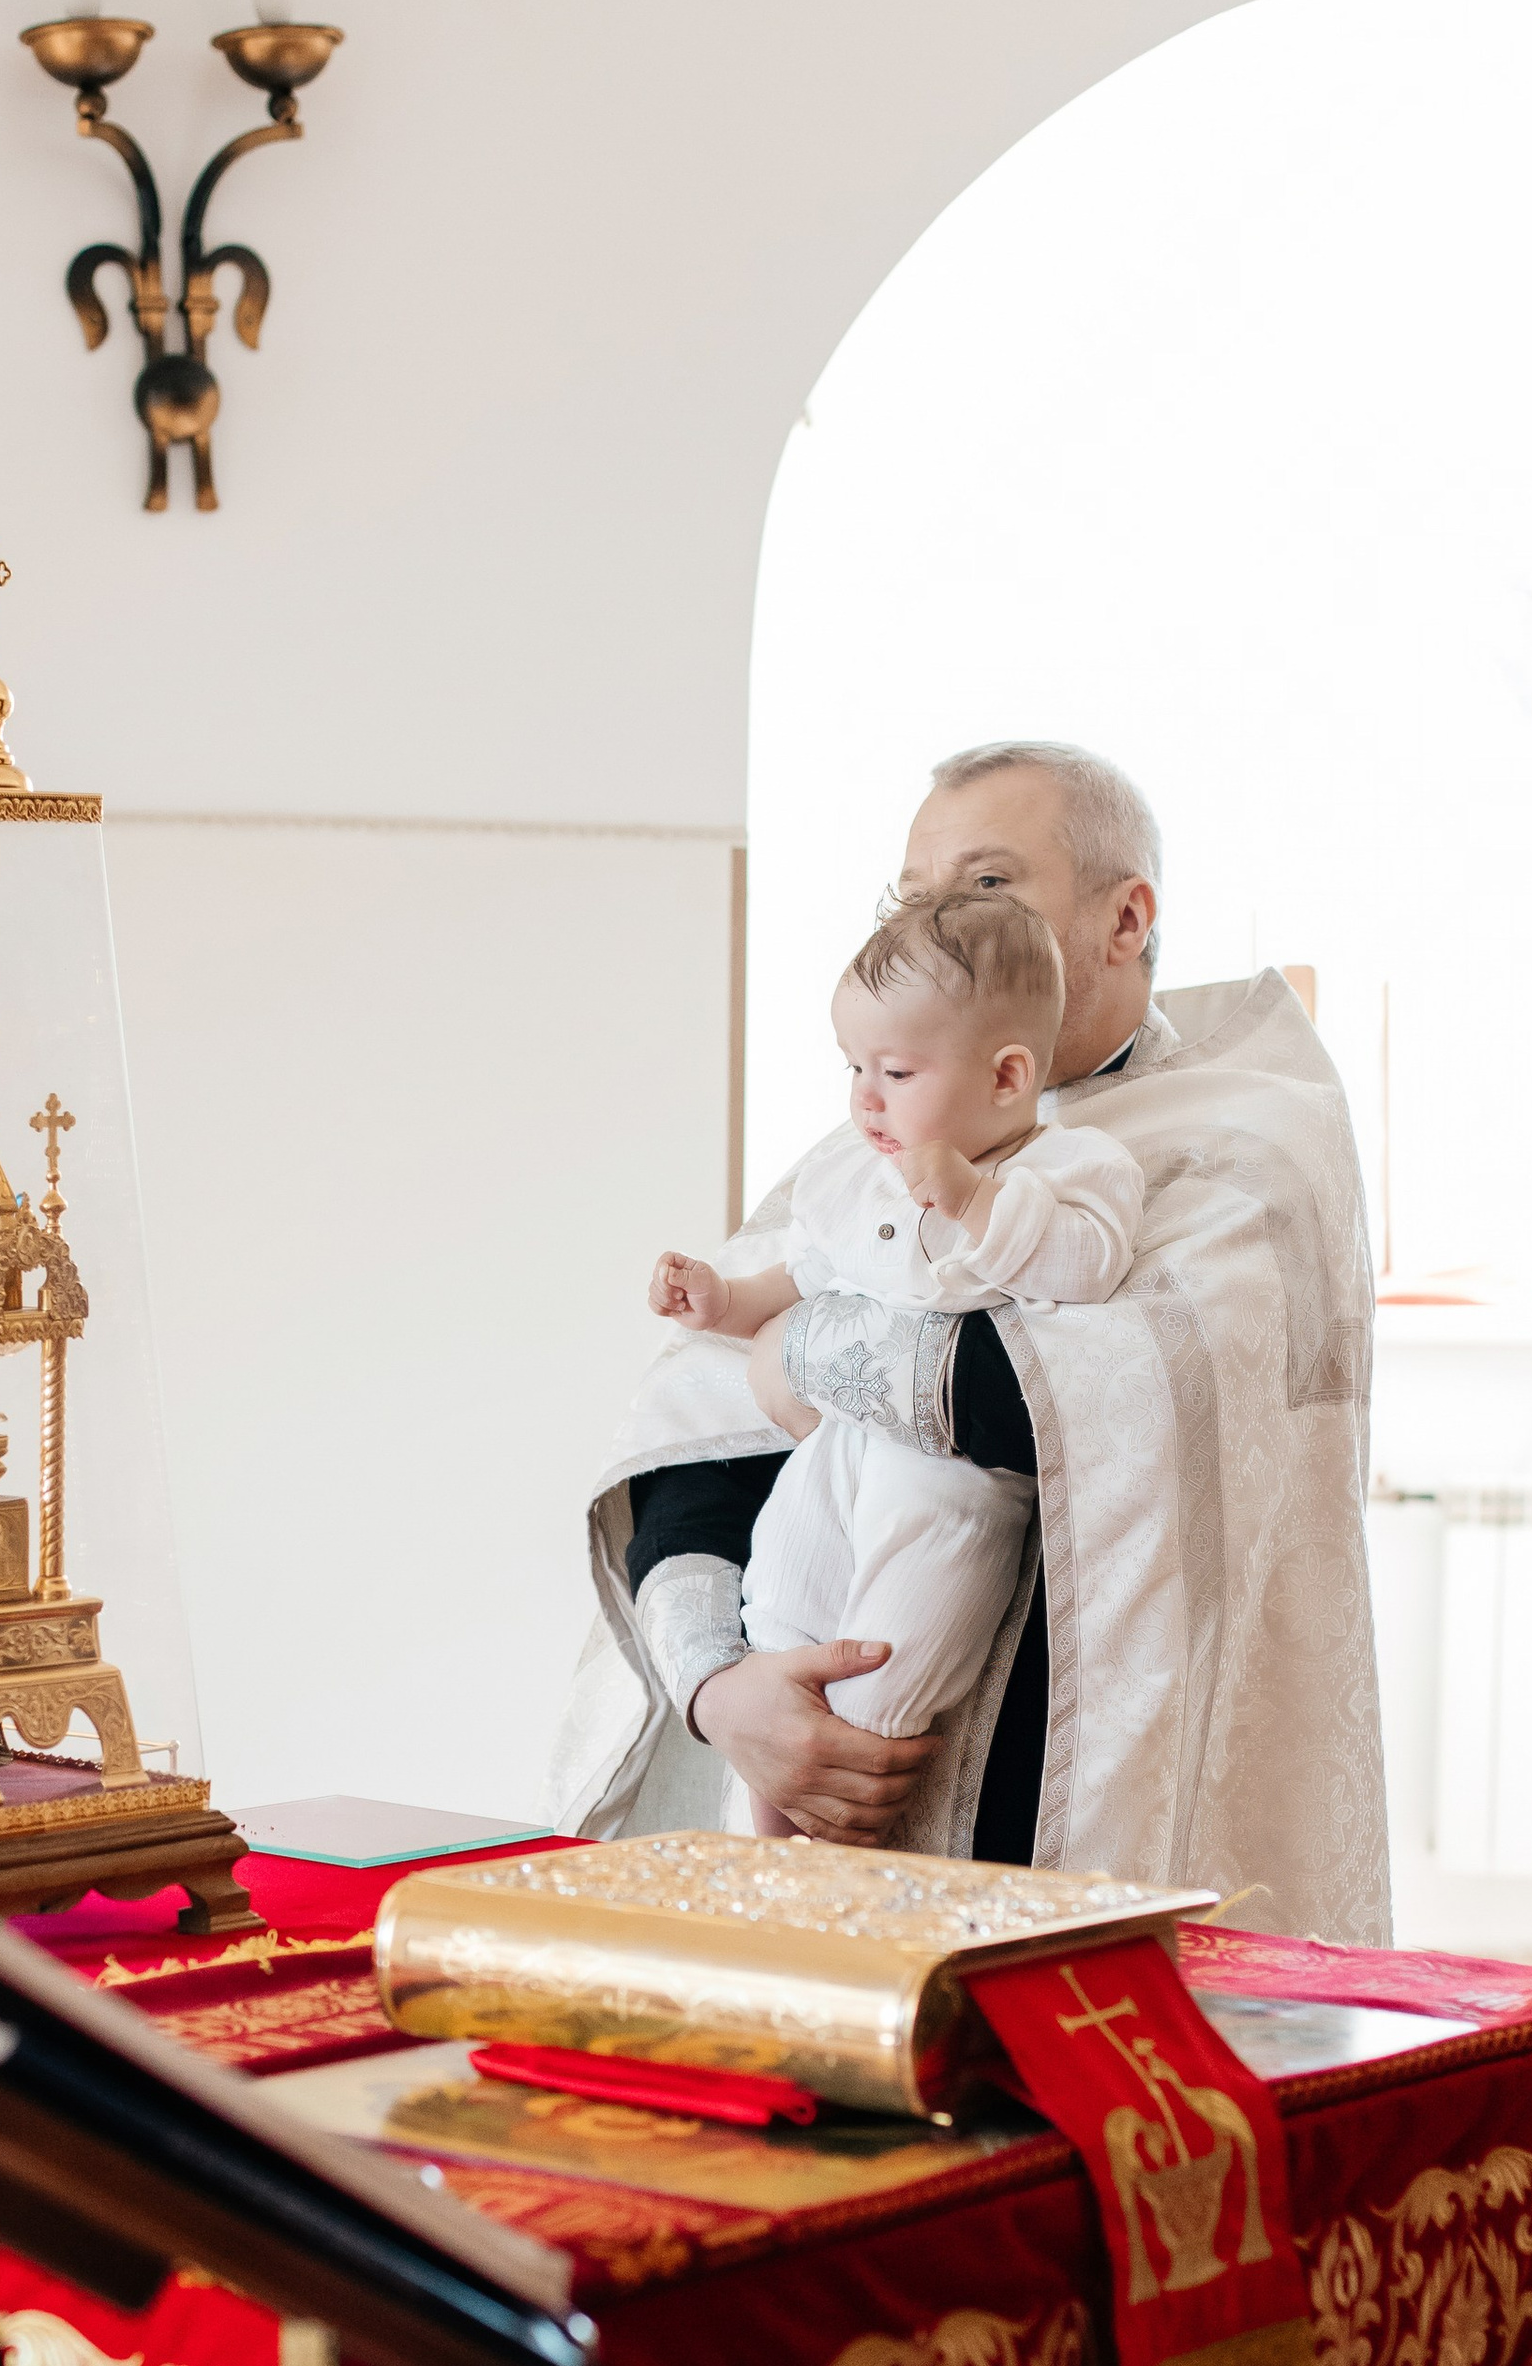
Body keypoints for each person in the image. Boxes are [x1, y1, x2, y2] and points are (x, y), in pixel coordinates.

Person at [546, 739, 1391, 1942]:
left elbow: (1088, 1407)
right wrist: (720, 1690)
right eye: (909, 894)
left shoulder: (1245, 1143)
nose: (934, 921)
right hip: (807, 1775)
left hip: (1076, 1814)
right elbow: (695, 1425)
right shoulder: (870, 1139)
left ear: (1124, 918)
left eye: (987, 883)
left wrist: (797, 1351)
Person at [645, 884, 1141, 1830]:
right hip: (839, 1449)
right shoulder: (860, 1172)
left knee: (880, 1674)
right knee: (780, 1620)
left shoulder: (1074, 1168)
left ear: (1006, 1077)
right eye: (855, 1066)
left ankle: (838, 1854)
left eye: (898, 1073)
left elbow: (1088, 1267)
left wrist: (975, 1200)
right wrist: (721, 1301)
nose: (864, 1098)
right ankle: (766, 1850)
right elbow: (803, 1275)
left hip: (953, 1487)